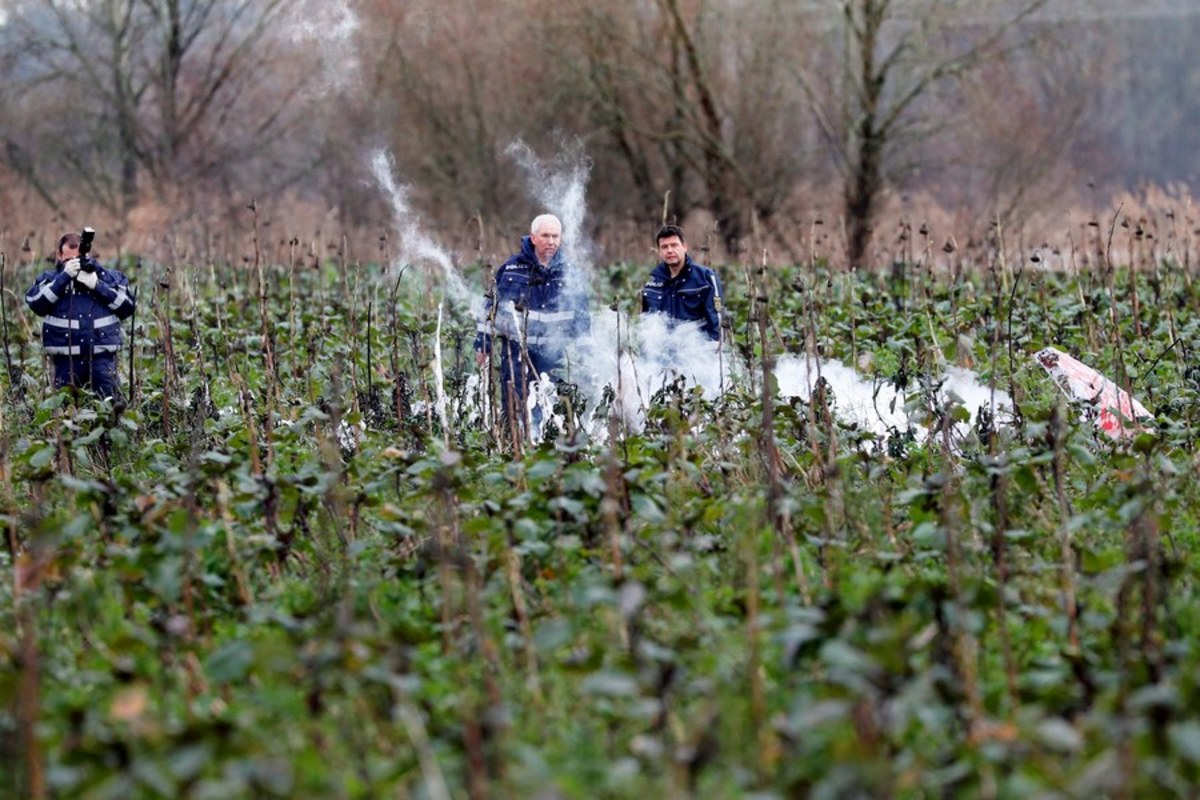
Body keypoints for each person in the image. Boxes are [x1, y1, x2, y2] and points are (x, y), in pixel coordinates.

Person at [475, 213, 588, 436]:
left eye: (555, 236)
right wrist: (483, 344)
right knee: (515, 405)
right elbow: (490, 308)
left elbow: (582, 316)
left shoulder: (570, 272)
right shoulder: (511, 270)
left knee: (552, 406)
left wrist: (584, 351)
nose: (551, 241)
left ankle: (549, 450)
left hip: (555, 354)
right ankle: (515, 448)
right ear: (533, 237)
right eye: (545, 235)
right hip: (516, 351)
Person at [25, 231, 136, 399]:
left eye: (79, 259)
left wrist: (97, 285)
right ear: (59, 256)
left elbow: (127, 307)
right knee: (64, 413)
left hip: (102, 361)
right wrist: (64, 278)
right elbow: (37, 304)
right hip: (65, 363)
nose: (75, 264)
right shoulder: (49, 279)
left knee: (110, 409)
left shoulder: (108, 277)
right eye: (70, 260)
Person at [641, 224, 723, 341]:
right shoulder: (652, 279)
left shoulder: (706, 278)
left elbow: (717, 321)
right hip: (661, 352)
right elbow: (646, 320)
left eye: (674, 245)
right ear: (659, 251)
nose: (669, 250)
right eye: (664, 247)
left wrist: (714, 353)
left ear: (684, 247)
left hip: (698, 350)